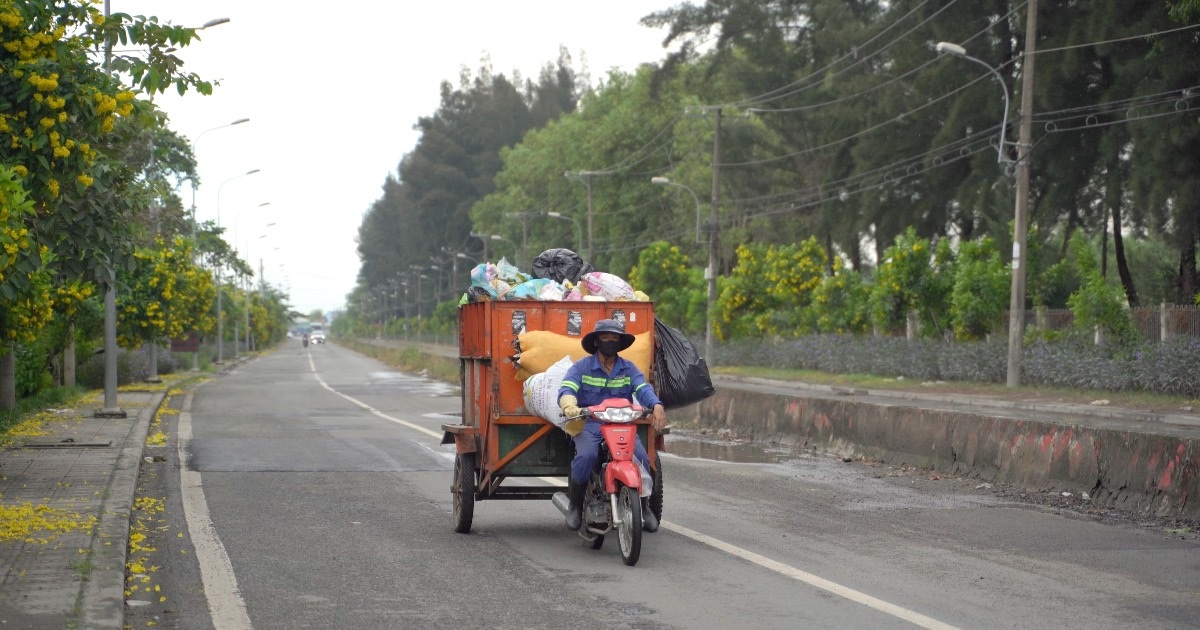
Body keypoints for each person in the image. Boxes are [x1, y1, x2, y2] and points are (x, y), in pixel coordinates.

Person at [558, 319, 666, 533]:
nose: (610, 341)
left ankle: (644, 508)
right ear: (597, 341)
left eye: (614, 338)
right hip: (591, 424)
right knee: (586, 456)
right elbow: (567, 388)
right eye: (605, 337)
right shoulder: (582, 367)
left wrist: (656, 405)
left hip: (622, 424)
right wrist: (569, 404)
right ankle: (575, 506)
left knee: (644, 458)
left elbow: (642, 388)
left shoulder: (628, 368)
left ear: (620, 343)